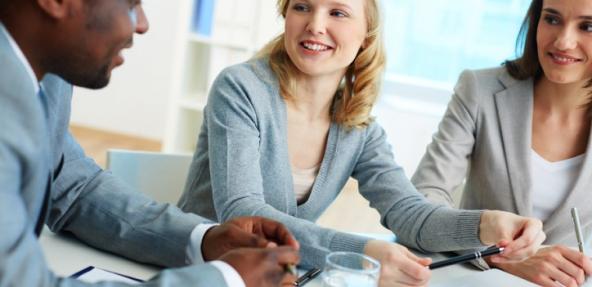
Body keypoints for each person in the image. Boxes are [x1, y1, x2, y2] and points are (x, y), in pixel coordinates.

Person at [178, 0, 545, 286]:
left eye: (337, 12)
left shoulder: (358, 126)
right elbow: (243, 216)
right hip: (195, 272)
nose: (315, 25)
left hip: (275, 277)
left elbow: (410, 214)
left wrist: (486, 225)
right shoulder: (240, 88)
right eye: (302, 7)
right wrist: (362, 252)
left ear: (366, 34)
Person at [0, 0, 301, 286]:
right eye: (131, 4)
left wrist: (204, 240)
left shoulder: (43, 73)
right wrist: (226, 281)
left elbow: (71, 187)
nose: (142, 25)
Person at [411, 0, 592, 286]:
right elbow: (419, 206)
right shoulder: (480, 90)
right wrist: (499, 255)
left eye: (588, 26)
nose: (564, 41)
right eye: (552, 19)